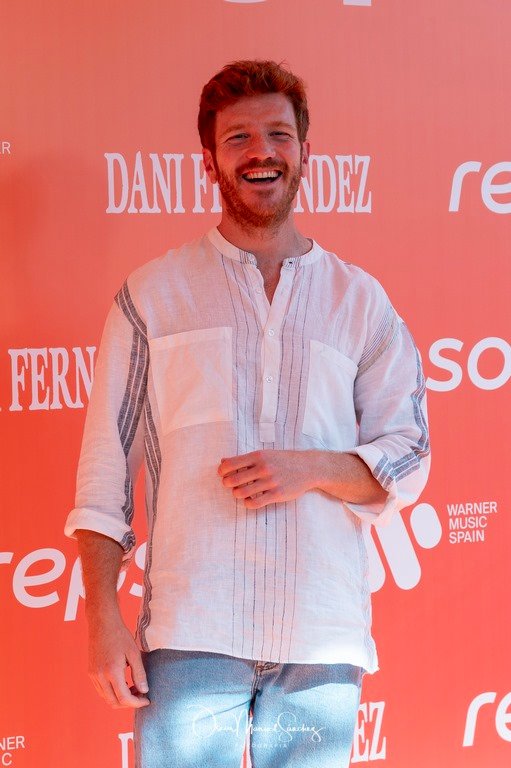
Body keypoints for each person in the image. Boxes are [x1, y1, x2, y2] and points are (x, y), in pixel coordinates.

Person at [65, 60, 430, 768]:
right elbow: (104, 470)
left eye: (278, 135)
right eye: (238, 138)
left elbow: (408, 453)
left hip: (320, 635)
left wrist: (313, 468)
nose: (261, 151)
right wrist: (102, 619)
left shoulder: (360, 302)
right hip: (191, 630)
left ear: (304, 151)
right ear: (209, 161)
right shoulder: (153, 295)